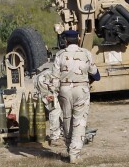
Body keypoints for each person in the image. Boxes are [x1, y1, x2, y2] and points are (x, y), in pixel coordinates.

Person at [54, 30, 100, 164]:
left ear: (66, 41)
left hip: (65, 89)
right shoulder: (85, 53)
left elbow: (54, 76)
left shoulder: (60, 55)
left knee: (67, 119)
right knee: (79, 120)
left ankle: (69, 148)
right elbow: (96, 75)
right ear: (78, 39)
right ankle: (74, 154)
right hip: (81, 89)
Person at [34, 61, 63, 147]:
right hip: (44, 83)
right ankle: (54, 138)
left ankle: (59, 134)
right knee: (55, 110)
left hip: (46, 82)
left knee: (59, 110)